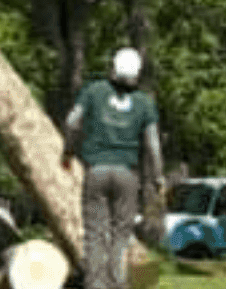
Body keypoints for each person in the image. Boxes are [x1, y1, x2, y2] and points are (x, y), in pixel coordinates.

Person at [61, 47, 164, 289]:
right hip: (127, 174)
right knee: (121, 234)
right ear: (136, 74)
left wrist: (68, 151)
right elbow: (153, 145)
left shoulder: (94, 91)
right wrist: (158, 176)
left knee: (95, 234)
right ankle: (118, 284)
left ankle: (95, 285)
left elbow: (71, 121)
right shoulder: (144, 103)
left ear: (113, 68)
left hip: (96, 171)